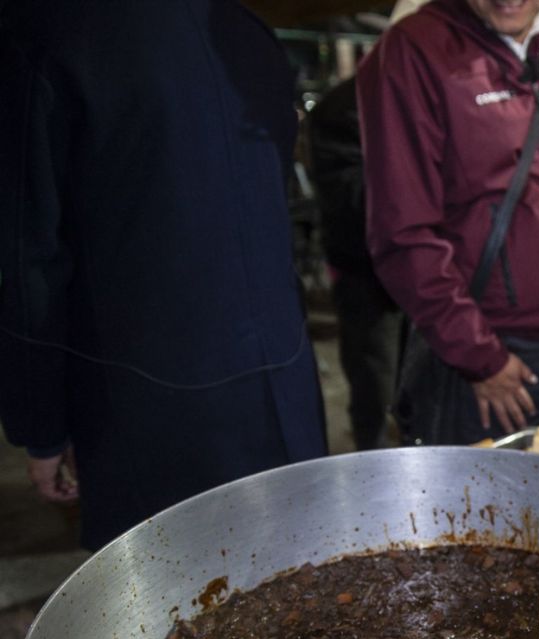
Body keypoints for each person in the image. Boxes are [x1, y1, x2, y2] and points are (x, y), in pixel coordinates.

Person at [0, 0, 329, 551]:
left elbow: (27, 259)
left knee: (173, 611)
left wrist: (41, 428)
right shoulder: (245, 31)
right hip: (285, 388)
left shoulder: (48, 31)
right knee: (301, 581)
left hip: (147, 409)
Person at [357, 0, 539, 446]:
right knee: (477, 512)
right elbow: (403, 230)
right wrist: (479, 357)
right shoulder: (415, 49)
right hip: (491, 362)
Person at [308, 77, 402, 451]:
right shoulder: (344, 108)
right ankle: (376, 472)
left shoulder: (408, 92)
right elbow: (353, 199)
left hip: (415, 274)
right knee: (374, 385)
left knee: (409, 383)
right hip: (368, 276)